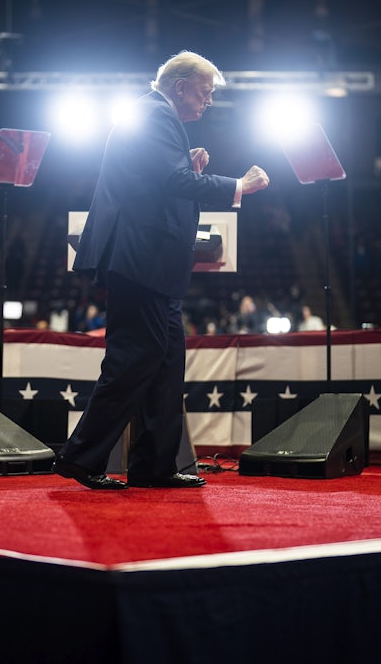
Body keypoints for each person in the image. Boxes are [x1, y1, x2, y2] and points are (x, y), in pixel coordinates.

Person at [53, 50, 270, 490]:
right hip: (140, 261)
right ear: (181, 87)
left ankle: (155, 464)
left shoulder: (154, 117)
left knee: (166, 362)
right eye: (205, 94)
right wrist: (238, 186)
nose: (207, 103)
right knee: (134, 358)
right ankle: (80, 458)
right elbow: (173, 183)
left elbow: (155, 182)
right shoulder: (154, 115)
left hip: (153, 264)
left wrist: (186, 168)